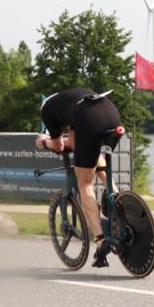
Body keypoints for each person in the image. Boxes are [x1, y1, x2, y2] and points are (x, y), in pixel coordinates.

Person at [36, 88, 121, 267]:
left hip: (89, 120)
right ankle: (119, 202)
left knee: (85, 184)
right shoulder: (73, 100)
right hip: (110, 114)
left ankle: (101, 241)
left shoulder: (48, 110)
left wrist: (43, 142)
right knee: (97, 162)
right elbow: (75, 142)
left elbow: (59, 146)